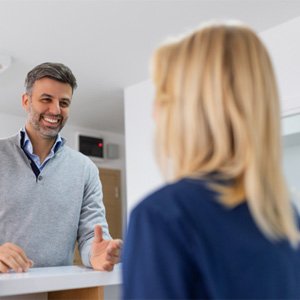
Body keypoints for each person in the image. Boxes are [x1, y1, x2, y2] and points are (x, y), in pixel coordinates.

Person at [122, 21, 300, 299]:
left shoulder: (161, 217)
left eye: (164, 97)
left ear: (190, 111)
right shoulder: (285, 217)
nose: (155, 113)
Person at [0, 62, 122, 273]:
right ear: (26, 101)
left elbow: (90, 234)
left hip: (57, 291)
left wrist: (97, 252)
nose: (55, 110)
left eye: (64, 102)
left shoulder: (85, 168)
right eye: (46, 99)